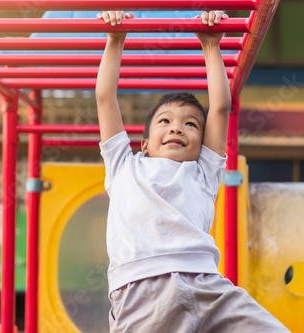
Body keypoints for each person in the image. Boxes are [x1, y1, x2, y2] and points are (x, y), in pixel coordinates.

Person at [95, 10, 290, 333]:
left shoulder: (202, 171)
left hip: (208, 287)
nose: (177, 129)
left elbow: (219, 107)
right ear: (144, 144)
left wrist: (211, 46)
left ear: (202, 142)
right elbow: (105, 98)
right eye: (165, 121)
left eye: (190, 124)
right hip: (142, 290)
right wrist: (115, 41)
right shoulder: (124, 165)